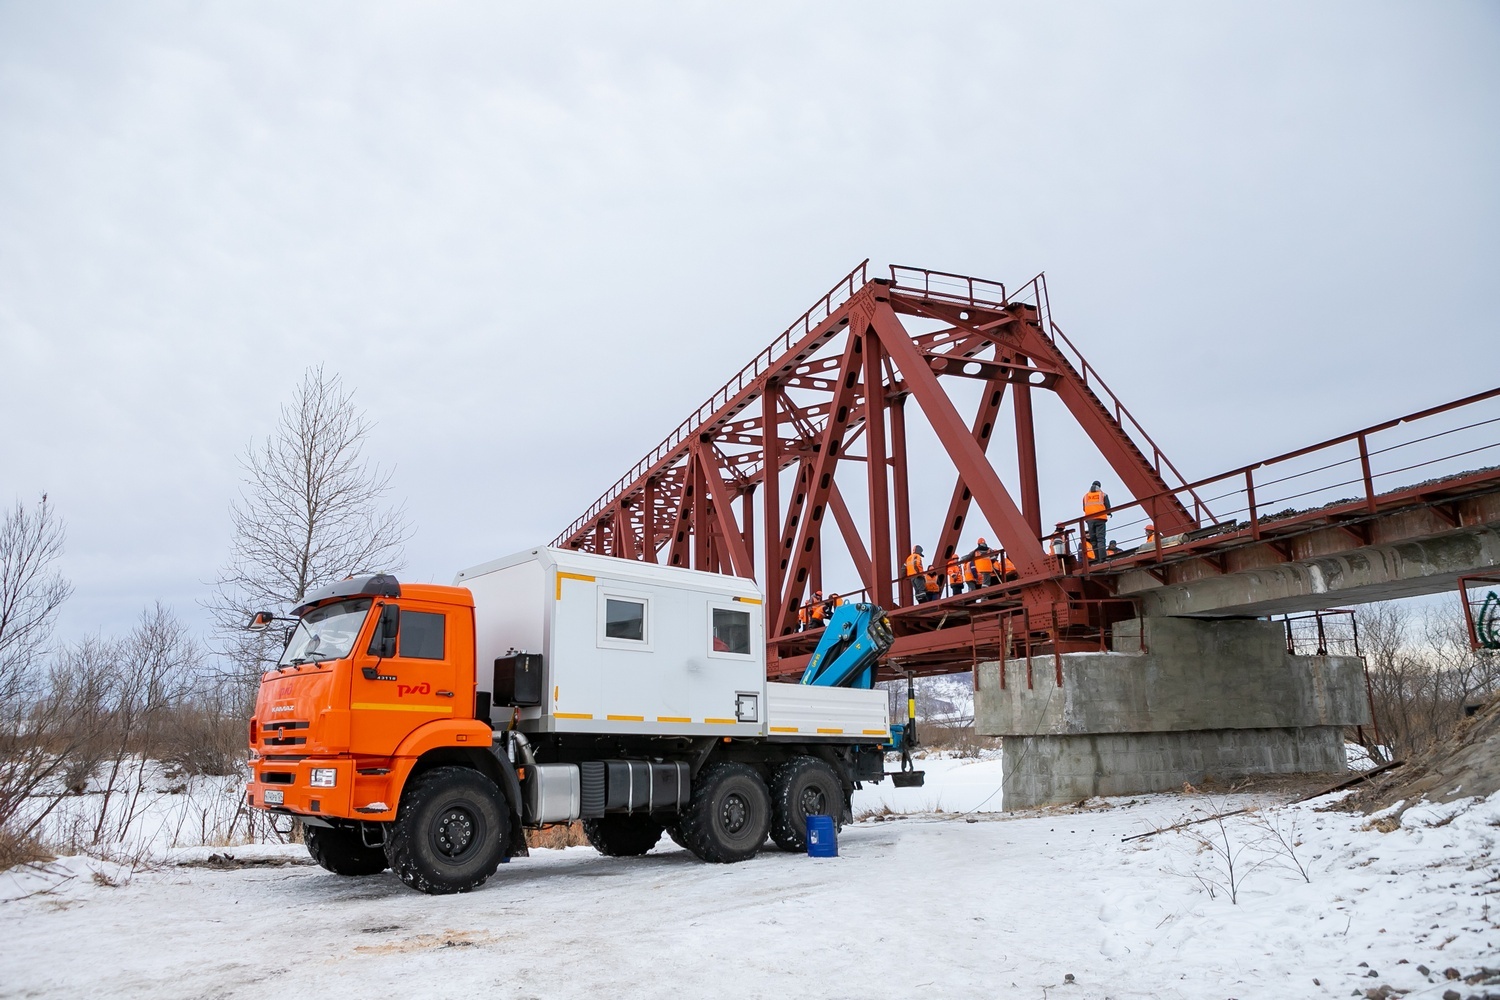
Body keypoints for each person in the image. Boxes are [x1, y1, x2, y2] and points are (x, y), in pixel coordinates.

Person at [1082, 480, 1110, 562]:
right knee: (1100, 539)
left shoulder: (1085, 496)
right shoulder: (1103, 495)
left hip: (1089, 520)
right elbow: (1108, 508)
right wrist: (1109, 513)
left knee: (1093, 540)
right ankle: (1103, 558)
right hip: (1100, 519)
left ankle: (1097, 558)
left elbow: (1084, 508)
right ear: (1099, 487)